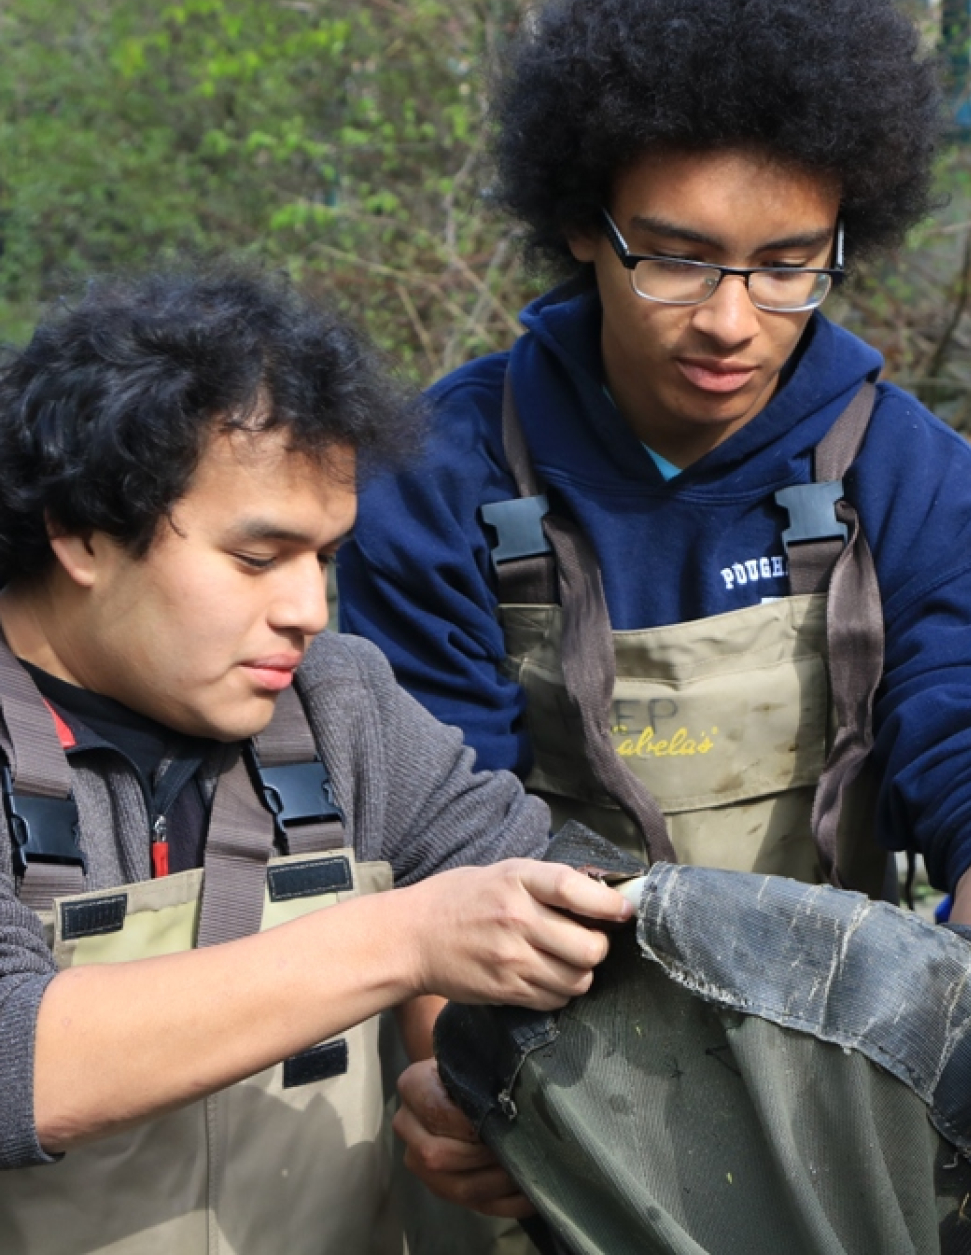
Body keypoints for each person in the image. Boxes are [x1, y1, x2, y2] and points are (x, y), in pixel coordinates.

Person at [338, 0, 971, 1232]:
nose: (732, 323)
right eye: (676, 256)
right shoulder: (436, 475)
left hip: (833, 1068)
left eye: (791, 267)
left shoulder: (908, 477)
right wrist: (457, 1082)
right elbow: (424, 818)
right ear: (584, 223)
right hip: (533, 1056)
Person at [0, 268, 632, 1255]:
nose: (306, 610)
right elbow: (18, 1068)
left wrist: (461, 1076)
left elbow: (503, 889)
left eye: (325, 558)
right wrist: (404, 942)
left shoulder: (342, 707)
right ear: (81, 531)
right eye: (258, 559)